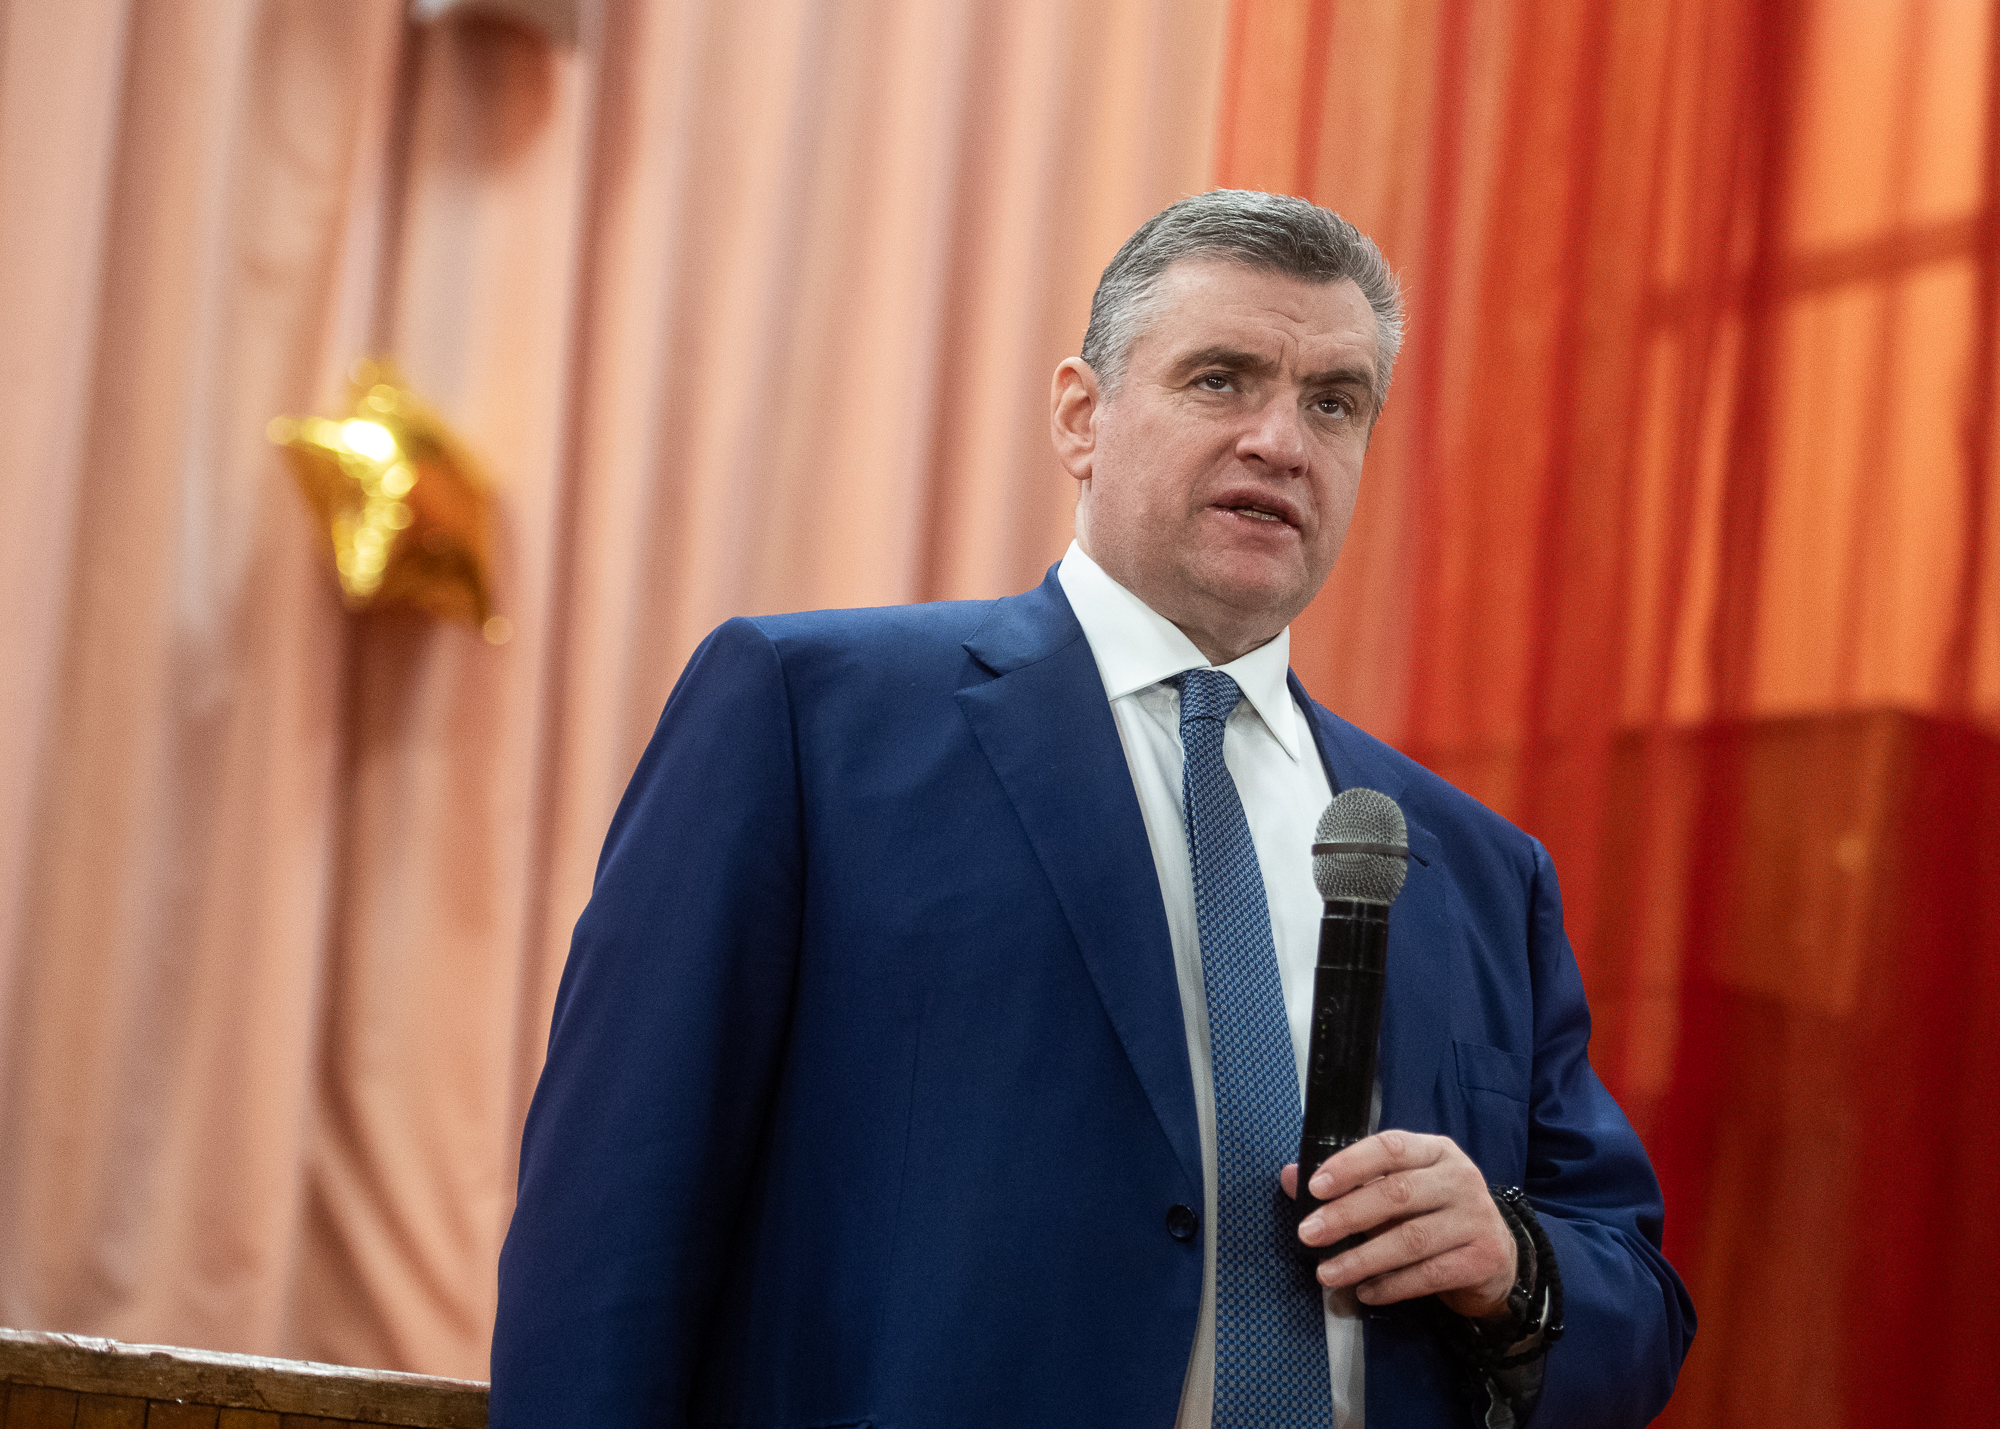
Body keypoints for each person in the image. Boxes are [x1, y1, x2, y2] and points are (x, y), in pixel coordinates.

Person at [490, 190, 1694, 1429]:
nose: (1280, 441)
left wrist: (1511, 1264)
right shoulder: (809, 718)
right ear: (1080, 415)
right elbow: (610, 1218)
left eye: (1333, 403)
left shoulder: (1477, 868)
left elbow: (1637, 1301)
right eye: (1220, 380)